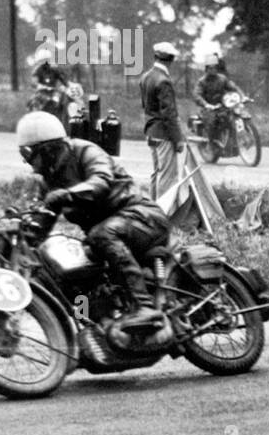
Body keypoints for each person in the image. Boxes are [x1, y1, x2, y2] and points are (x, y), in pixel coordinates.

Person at [16, 112, 171, 325]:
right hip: (106, 235)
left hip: (141, 217)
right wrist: (18, 234)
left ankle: (144, 306)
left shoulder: (86, 151)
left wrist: (67, 194)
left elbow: (101, 182)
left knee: (102, 234)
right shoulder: (49, 181)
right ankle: (91, 328)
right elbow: (42, 223)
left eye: (29, 154)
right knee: (72, 272)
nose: (29, 162)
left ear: (48, 149)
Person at [140, 41, 185, 200]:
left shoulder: (146, 77)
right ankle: (164, 215)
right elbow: (169, 114)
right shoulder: (164, 80)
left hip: (151, 131)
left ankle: (153, 208)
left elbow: (145, 105)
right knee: (167, 176)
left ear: (156, 57)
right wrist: (178, 139)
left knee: (156, 173)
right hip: (164, 134)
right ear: (171, 59)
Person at [192, 52, 241, 147]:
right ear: (206, 69)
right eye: (210, 68)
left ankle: (233, 141)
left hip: (222, 106)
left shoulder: (222, 79)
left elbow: (233, 87)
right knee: (212, 120)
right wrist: (206, 104)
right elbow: (197, 95)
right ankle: (212, 143)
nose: (213, 70)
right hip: (208, 108)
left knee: (233, 116)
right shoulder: (202, 82)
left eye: (214, 67)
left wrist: (242, 97)